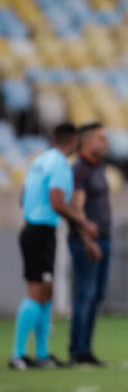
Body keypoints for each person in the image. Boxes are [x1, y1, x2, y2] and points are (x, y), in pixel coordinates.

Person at [9, 122, 98, 370]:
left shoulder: (39, 161)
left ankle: (42, 354)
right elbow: (57, 201)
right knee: (37, 292)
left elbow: (22, 196)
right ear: (73, 142)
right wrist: (83, 222)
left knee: (45, 291)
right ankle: (18, 354)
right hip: (41, 232)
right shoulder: (59, 164)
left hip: (32, 228)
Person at [67, 122, 111, 366]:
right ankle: (77, 351)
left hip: (104, 239)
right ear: (87, 141)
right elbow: (76, 207)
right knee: (84, 294)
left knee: (96, 295)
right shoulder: (80, 170)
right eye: (101, 138)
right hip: (88, 242)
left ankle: (86, 348)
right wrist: (87, 239)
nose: (106, 143)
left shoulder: (98, 167)